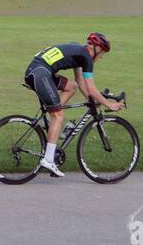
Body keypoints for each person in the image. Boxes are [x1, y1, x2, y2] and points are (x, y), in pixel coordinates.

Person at [24, 33, 122, 178]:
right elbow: (92, 88)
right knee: (58, 115)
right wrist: (108, 104)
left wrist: (90, 99)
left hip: (39, 71)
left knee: (72, 86)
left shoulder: (79, 51)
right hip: (40, 73)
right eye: (102, 53)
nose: (101, 57)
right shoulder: (86, 57)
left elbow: (80, 81)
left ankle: (51, 121)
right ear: (95, 48)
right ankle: (48, 159)